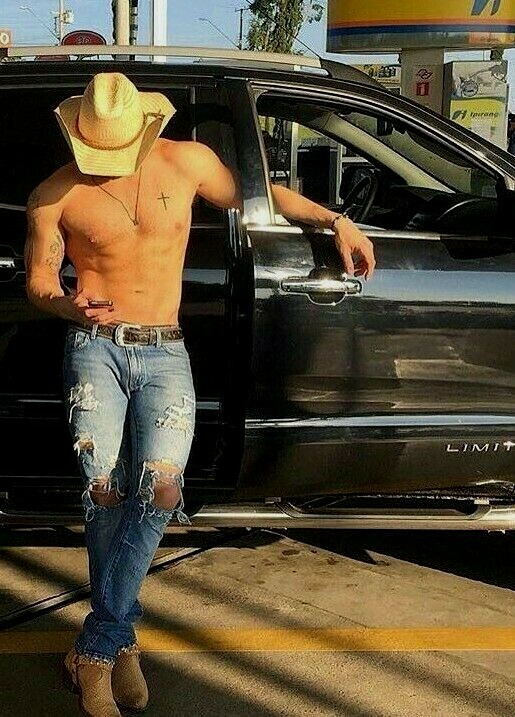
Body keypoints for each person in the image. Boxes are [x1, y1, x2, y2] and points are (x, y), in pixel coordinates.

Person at [24, 72, 375, 717]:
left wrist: (337, 221)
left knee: (162, 491)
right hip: (94, 349)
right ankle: (118, 644)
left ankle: (97, 646)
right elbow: (39, 280)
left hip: (165, 349)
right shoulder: (54, 194)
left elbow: (260, 195)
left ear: (141, 129)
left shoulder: (186, 163)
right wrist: (67, 304)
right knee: (103, 494)